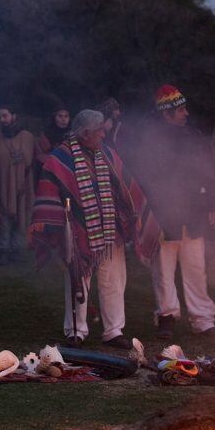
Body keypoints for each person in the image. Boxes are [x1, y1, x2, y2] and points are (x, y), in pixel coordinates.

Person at [31, 110, 151, 349]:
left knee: (114, 280)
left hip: (110, 231)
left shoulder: (108, 154)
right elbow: (48, 189)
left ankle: (114, 331)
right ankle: (76, 330)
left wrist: (129, 215)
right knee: (77, 280)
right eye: (99, 130)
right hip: (77, 232)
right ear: (85, 133)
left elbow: (126, 186)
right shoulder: (61, 158)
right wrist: (57, 224)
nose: (104, 134)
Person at [132, 85, 215, 339]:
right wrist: (149, 213)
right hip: (164, 215)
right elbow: (144, 179)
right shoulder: (151, 142)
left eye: (185, 109)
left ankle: (203, 319)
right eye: (181, 110)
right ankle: (167, 316)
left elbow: (210, 172)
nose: (186, 113)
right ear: (166, 114)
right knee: (163, 269)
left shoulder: (193, 137)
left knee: (196, 268)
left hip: (193, 214)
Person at [0, 105, 34, 266]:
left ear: (14, 116)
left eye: (5, 116)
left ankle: (16, 249)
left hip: (23, 183)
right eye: (0, 117)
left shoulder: (27, 137)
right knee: (4, 217)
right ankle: (3, 250)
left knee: (21, 215)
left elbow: (31, 161)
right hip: (2, 184)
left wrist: (24, 182)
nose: (2, 120)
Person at [35, 106, 71, 180]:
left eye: (66, 116)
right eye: (60, 116)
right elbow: (41, 154)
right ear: (54, 117)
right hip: (50, 168)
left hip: (69, 167)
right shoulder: (46, 133)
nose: (63, 119)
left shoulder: (73, 133)